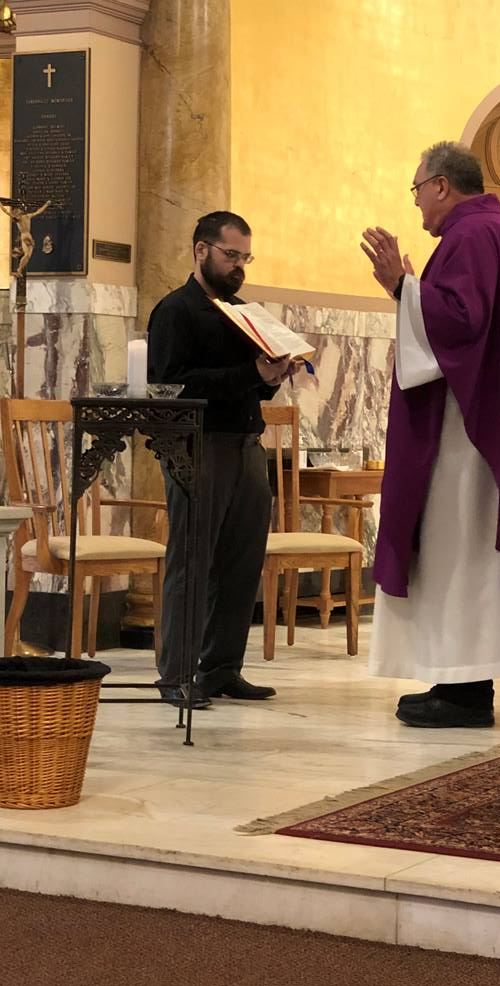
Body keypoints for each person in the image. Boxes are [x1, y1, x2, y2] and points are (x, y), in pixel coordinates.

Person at [360, 141, 500, 729]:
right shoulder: (491, 231)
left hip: (466, 433)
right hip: (479, 422)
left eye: (417, 189)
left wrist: (402, 288)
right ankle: (458, 682)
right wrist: (410, 291)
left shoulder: (474, 234)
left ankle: (464, 690)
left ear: (440, 185)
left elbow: (460, 323)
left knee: (460, 550)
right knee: (464, 551)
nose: (416, 204)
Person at [148, 211, 292, 708]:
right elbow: (171, 384)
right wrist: (250, 373)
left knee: (241, 562)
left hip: (247, 444)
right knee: (192, 561)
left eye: (245, 257)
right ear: (201, 250)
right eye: (231, 255)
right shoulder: (175, 311)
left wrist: (270, 377)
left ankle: (222, 669)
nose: (239, 266)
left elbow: (251, 384)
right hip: (198, 446)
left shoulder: (244, 313)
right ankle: (176, 675)